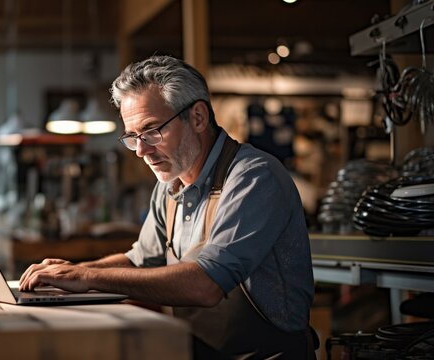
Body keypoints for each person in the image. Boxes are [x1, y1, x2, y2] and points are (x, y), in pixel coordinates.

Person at [20, 55, 316, 359]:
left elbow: (206, 284)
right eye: (133, 137)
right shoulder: (169, 185)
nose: (141, 151)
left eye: (151, 131)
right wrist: (71, 271)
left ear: (198, 117)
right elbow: (140, 262)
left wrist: (86, 279)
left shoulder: (253, 177)